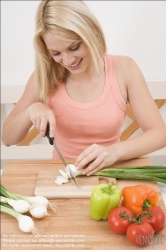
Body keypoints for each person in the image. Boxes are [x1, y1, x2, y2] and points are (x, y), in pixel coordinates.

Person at [2, 0, 166, 176]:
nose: (67, 61)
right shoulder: (43, 77)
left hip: (112, 175)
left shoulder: (124, 69)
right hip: (63, 175)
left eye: (74, 47)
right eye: (56, 53)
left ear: (90, 32)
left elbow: (159, 134)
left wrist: (113, 152)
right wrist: (31, 110)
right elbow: (8, 138)